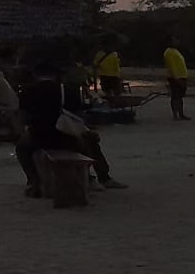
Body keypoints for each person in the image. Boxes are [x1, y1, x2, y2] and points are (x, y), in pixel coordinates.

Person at [15, 61, 127, 196]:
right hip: (67, 138)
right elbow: (79, 117)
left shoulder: (27, 91)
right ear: (56, 75)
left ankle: (34, 180)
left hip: (38, 138)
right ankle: (103, 177)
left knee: (21, 149)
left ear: (35, 75)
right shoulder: (67, 90)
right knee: (90, 141)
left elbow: (22, 118)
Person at [163, 37, 191, 120]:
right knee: (176, 96)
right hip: (176, 77)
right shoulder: (169, 52)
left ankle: (181, 113)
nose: (177, 42)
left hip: (181, 76)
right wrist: (176, 78)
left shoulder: (175, 51)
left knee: (179, 96)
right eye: (175, 41)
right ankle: (176, 114)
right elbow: (172, 66)